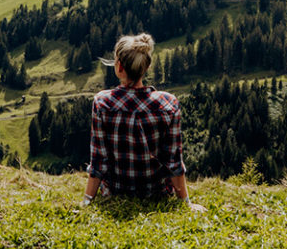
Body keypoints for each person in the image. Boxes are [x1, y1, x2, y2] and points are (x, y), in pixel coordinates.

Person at [81, 32, 204, 211]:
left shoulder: (102, 102)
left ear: (119, 67)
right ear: (146, 67)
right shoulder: (168, 103)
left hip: (116, 191)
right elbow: (174, 161)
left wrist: (86, 201)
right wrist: (186, 203)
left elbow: (99, 161)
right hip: (156, 193)